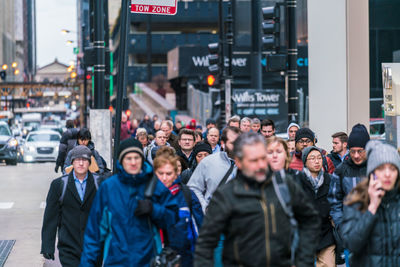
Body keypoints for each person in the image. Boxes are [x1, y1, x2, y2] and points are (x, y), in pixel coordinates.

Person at [194, 132, 321, 266]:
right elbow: (205, 244)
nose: (261, 165)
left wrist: (303, 260)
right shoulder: (226, 195)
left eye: (262, 158)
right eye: (253, 160)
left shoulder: (283, 185)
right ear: (239, 162)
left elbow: (310, 220)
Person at [79, 138, 179, 266]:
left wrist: (154, 210)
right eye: (128, 158)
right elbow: (94, 232)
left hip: (148, 261)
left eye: (136, 158)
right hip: (116, 260)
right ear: (121, 161)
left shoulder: (154, 185)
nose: (133, 162)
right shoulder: (109, 188)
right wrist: (87, 263)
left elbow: (173, 218)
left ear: (142, 159)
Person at [340, 140, 400, 266]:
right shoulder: (356, 199)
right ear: (372, 173)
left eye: (393, 169)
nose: (388, 174)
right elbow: (351, 244)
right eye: (382, 168)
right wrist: (372, 207)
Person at [41, 146, 101, 266]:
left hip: (94, 247)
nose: (81, 163)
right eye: (77, 159)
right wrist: (47, 246)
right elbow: (50, 218)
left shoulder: (99, 183)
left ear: (89, 162)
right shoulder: (58, 185)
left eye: (84, 160)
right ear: (72, 162)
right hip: (68, 247)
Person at [153, 147, 203, 267]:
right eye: (161, 173)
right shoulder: (146, 195)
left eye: (169, 173)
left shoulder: (187, 195)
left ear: (176, 173)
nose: (164, 178)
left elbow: (199, 230)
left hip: (183, 259)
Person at [297, 146, 335, 267]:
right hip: (304, 234)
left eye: (319, 158)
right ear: (305, 161)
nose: (317, 161)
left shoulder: (329, 180)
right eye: (312, 158)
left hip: (325, 233)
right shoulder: (297, 180)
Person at [188, 126, 241, 213]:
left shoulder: (250, 164)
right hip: (214, 217)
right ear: (223, 143)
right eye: (233, 143)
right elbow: (194, 187)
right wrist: (204, 207)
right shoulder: (208, 162)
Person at [329, 123, 370, 227]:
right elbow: (335, 202)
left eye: (360, 151)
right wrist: (342, 226)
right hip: (348, 228)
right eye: (352, 151)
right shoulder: (340, 171)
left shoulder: (374, 168)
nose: (356, 155)